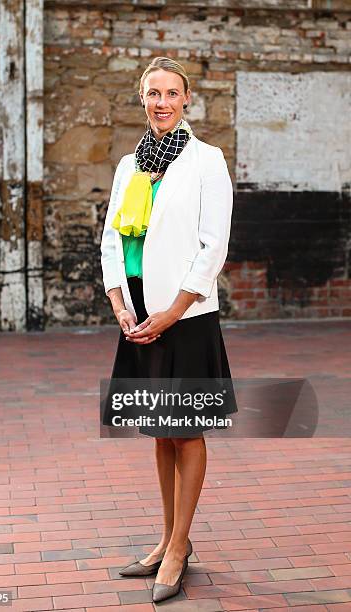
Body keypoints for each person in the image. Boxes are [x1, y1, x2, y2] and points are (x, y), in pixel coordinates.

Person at [100, 56, 238, 603]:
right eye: (152, 92)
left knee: (187, 430)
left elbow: (214, 246)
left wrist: (174, 311)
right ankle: (166, 538)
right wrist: (118, 303)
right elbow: (114, 237)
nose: (161, 102)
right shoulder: (129, 164)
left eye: (171, 93)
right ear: (142, 98)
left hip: (186, 317)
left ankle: (179, 547)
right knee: (160, 430)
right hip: (138, 316)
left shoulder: (208, 160)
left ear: (186, 100)